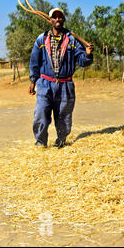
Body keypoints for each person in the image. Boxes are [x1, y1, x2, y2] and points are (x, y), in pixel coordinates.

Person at [29, 8, 94, 148]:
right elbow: (34, 61)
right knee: (41, 114)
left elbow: (82, 61)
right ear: (50, 20)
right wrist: (33, 81)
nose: (58, 19)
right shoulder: (42, 39)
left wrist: (88, 54)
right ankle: (40, 143)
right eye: (55, 17)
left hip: (66, 85)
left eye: (60, 17)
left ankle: (61, 141)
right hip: (45, 83)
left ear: (64, 19)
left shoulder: (72, 40)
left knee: (64, 116)